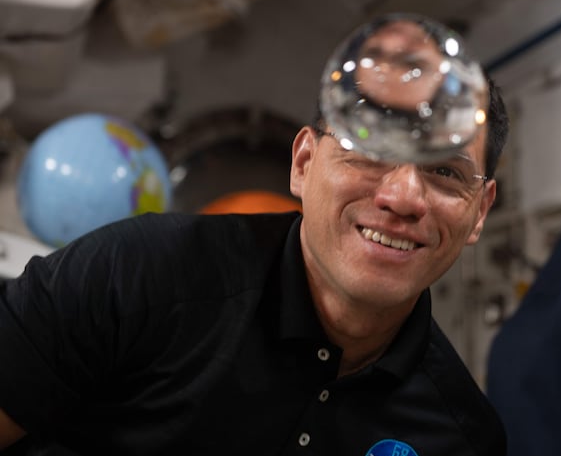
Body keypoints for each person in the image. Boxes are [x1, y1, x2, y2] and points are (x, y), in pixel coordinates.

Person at [0, 72, 509, 454]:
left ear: (479, 211)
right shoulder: (134, 277)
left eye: (444, 170)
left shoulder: (462, 436)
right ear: (304, 164)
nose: (402, 196)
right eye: (369, 150)